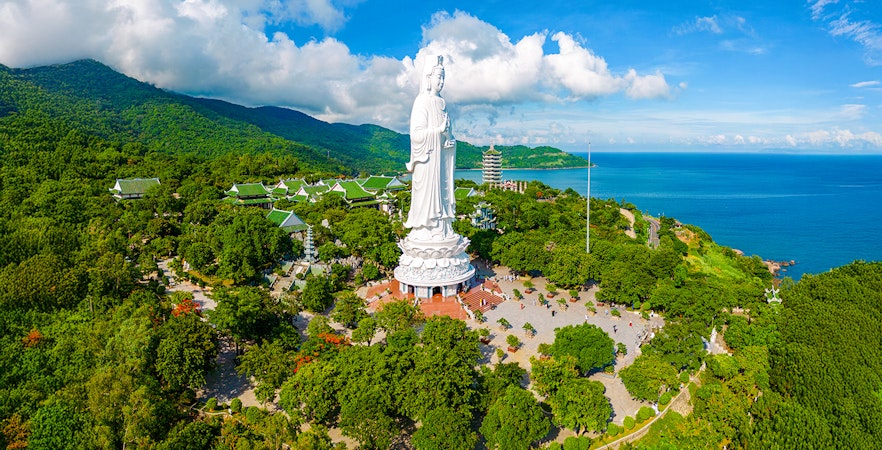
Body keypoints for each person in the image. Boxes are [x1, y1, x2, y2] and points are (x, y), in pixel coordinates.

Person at [404, 55, 456, 241]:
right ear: (428, 77)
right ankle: (426, 229)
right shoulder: (422, 101)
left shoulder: (442, 103)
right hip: (426, 161)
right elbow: (416, 135)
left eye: (443, 77)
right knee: (426, 195)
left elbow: (447, 134)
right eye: (438, 76)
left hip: (440, 160)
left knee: (442, 194)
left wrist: (449, 141)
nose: (441, 81)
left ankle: (443, 227)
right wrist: (437, 131)